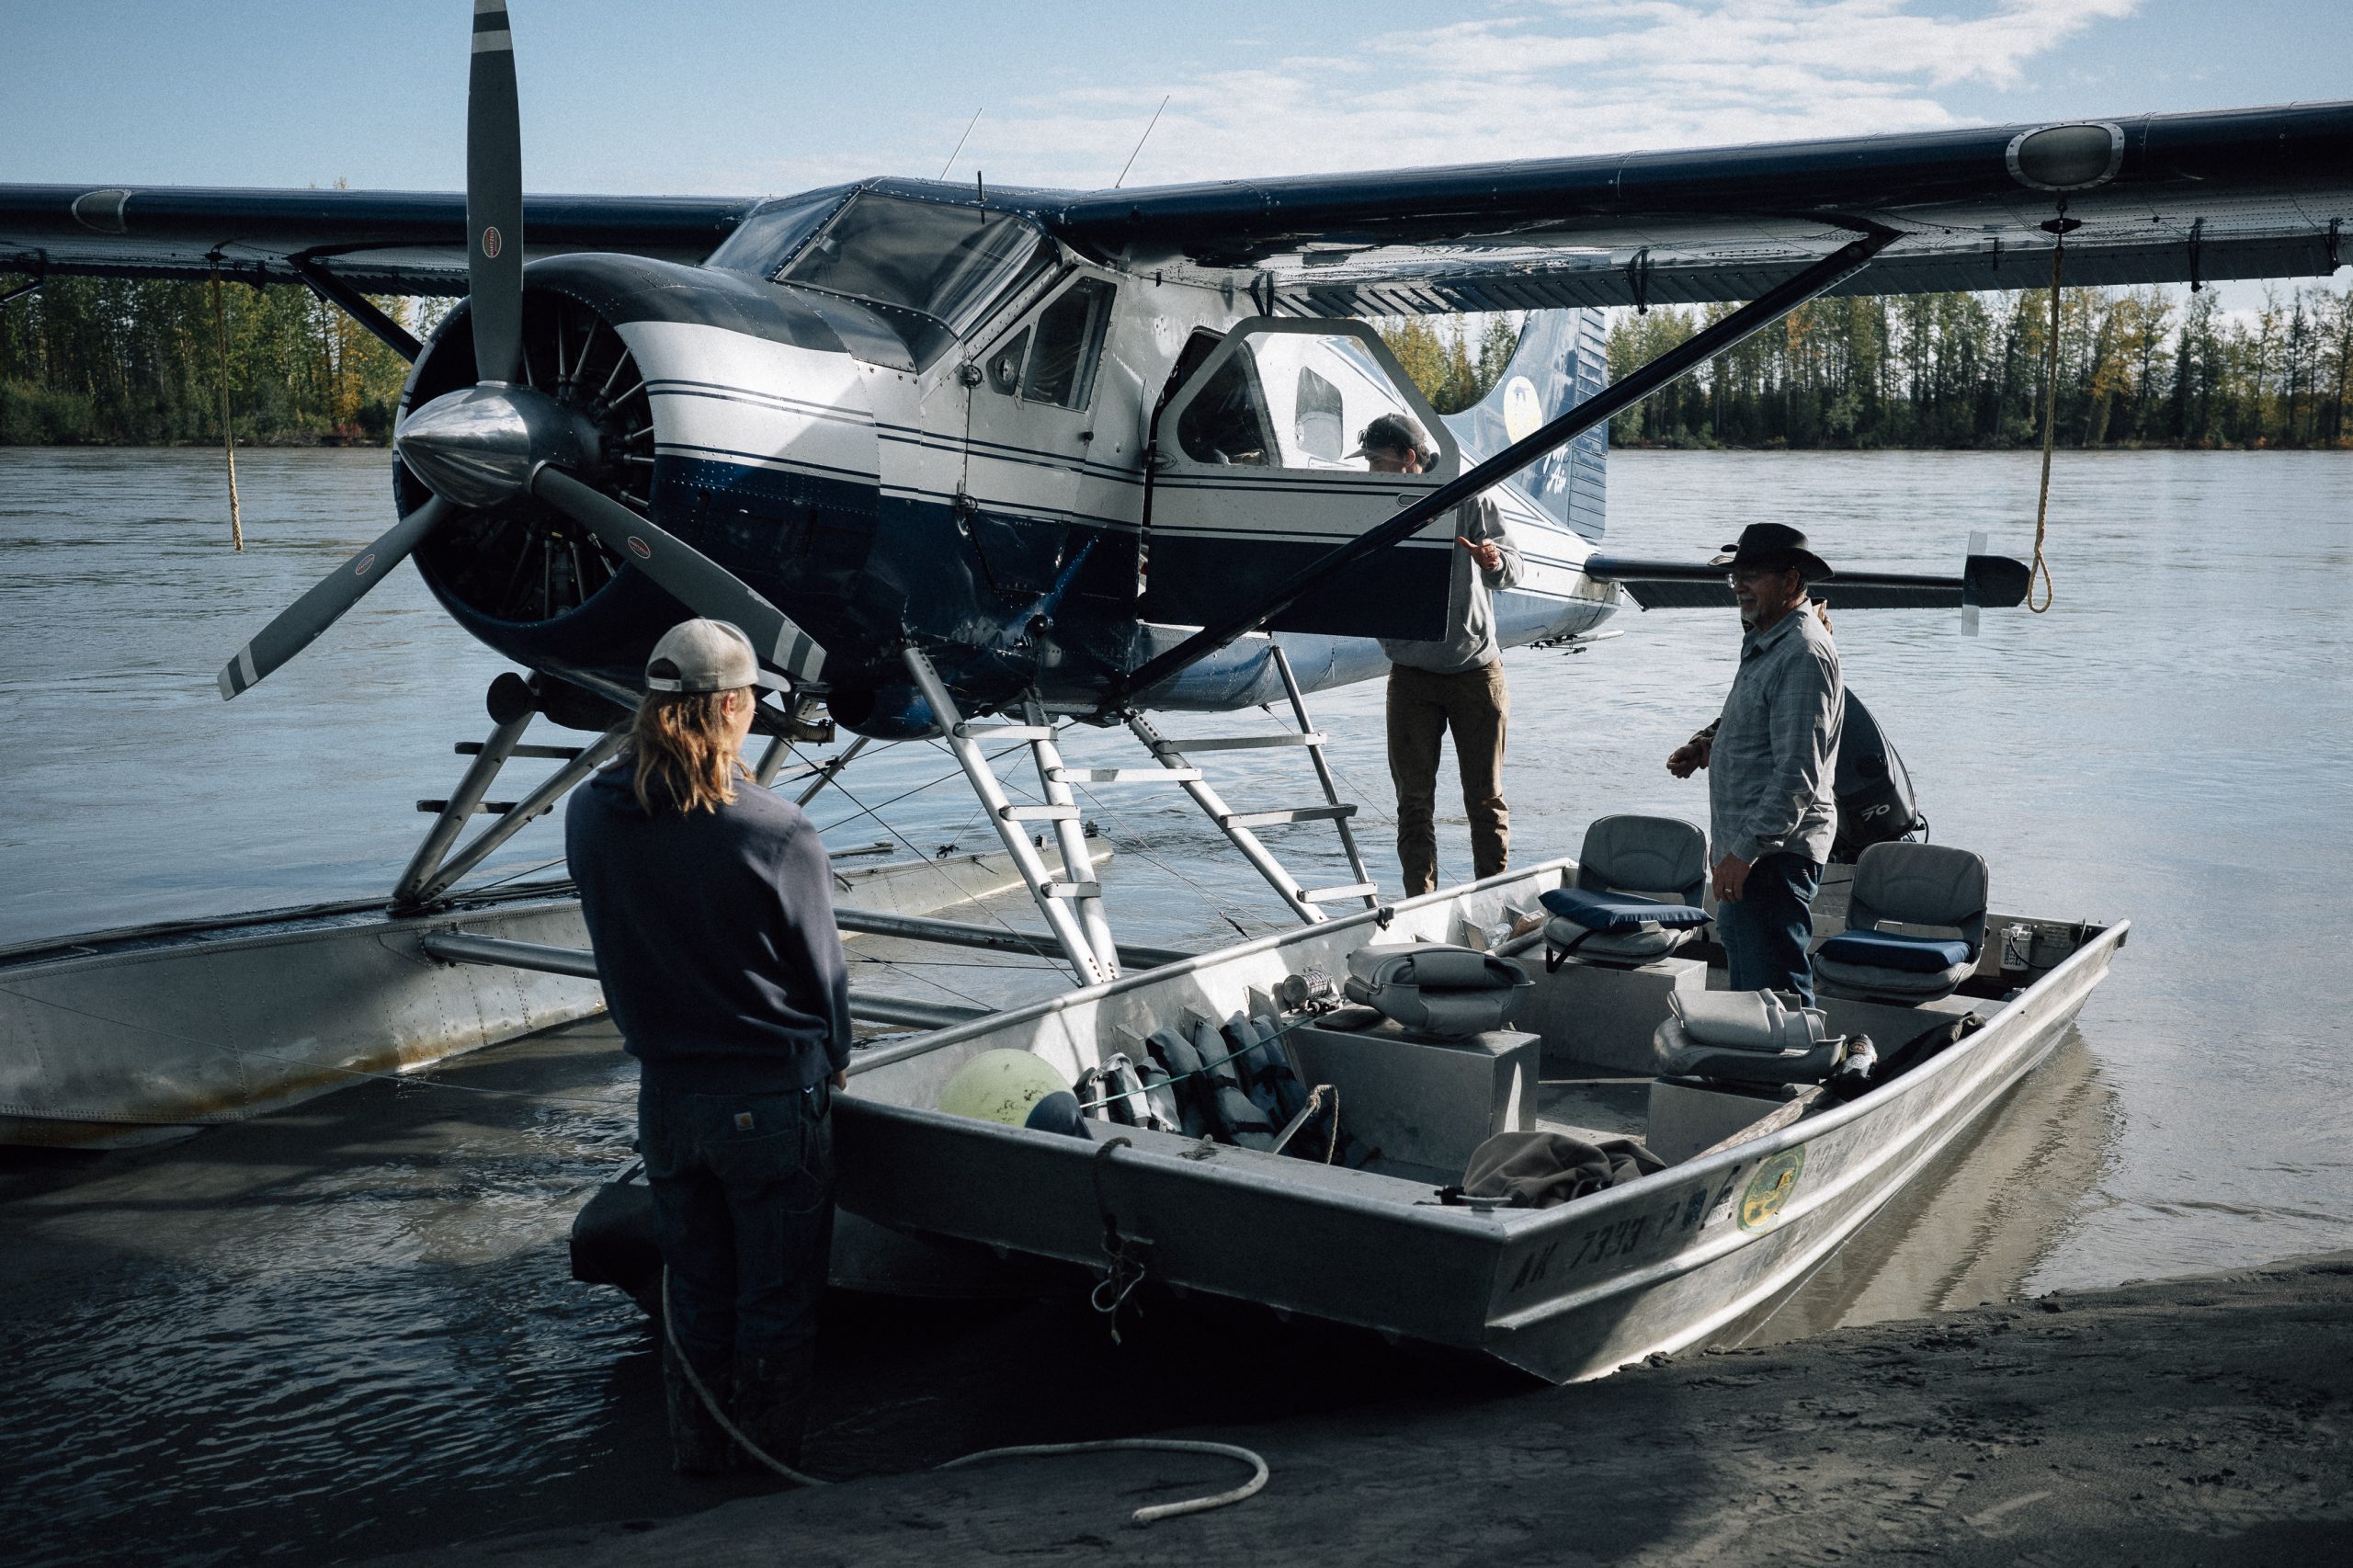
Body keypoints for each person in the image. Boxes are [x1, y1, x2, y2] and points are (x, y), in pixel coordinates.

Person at [565, 618, 853, 1475]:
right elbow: (827, 987)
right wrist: (830, 1057)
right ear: (730, 705)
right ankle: (763, 1482)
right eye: (755, 699)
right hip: (769, 1100)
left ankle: (697, 1466)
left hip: (666, 1100)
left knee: (693, 1293)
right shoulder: (776, 829)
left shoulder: (590, 812)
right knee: (776, 1302)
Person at [1665, 524, 1843, 1004]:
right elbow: (1756, 714)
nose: (1739, 586)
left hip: (1771, 857)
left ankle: (1788, 1073)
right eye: (1735, 577)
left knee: (1775, 997)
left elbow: (1797, 775)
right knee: (1749, 995)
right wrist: (1709, 743)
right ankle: (1754, 1070)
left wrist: (1744, 852)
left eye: (1752, 575)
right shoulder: (1768, 638)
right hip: (1749, 853)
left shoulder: (1803, 652)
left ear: (1790, 582)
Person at [1363, 412, 1524, 895]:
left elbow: (1515, 567)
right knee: (1413, 803)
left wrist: (1493, 560)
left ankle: (1494, 900)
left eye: (1377, 461)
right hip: (1410, 676)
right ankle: (1419, 903)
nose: (1371, 471)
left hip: (1475, 673)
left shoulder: (1470, 494)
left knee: (1485, 799)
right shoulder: (1371, 502)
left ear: (1409, 458)